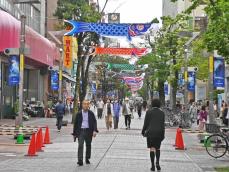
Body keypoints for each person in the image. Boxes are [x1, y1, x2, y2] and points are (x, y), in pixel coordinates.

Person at [73, 100, 98, 166]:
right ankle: (80, 160)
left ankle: (87, 158)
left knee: (88, 145)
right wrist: (74, 134)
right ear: (82, 105)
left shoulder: (91, 113)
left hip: (88, 131)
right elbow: (75, 124)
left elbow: (94, 122)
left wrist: (95, 130)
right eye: (84, 104)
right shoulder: (78, 114)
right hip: (81, 131)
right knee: (80, 145)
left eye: (87, 104)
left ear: (89, 105)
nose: (86, 105)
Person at [142, 99, 165, 171]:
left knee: (152, 148)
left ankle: (152, 165)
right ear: (159, 104)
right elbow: (162, 125)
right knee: (157, 148)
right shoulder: (162, 113)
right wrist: (163, 134)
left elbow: (146, 123)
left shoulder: (148, 112)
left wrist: (143, 131)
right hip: (159, 132)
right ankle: (157, 162)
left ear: (152, 104)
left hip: (150, 133)